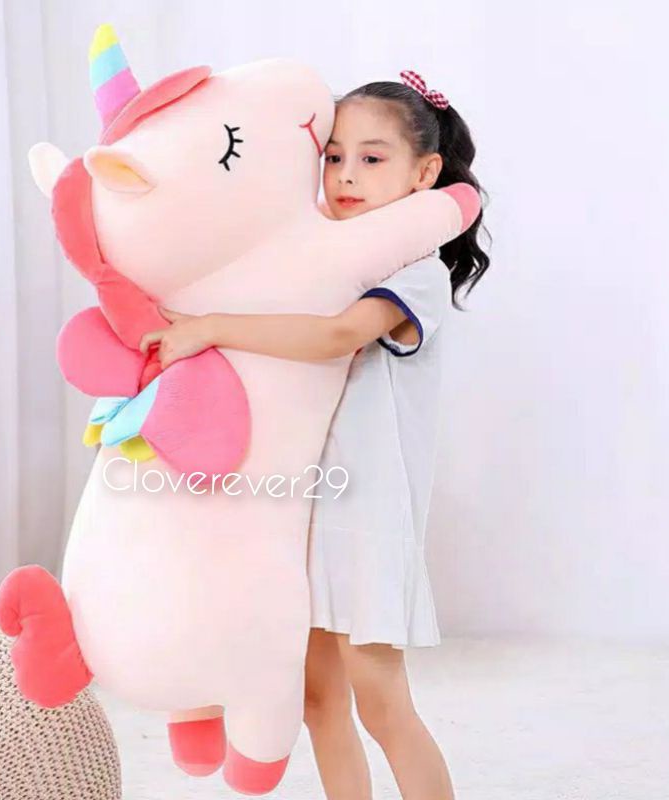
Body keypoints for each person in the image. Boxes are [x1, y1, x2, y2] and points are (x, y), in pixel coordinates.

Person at [140, 69, 490, 800]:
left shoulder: (416, 273)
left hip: (365, 524)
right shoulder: (324, 260)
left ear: (425, 173)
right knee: (317, 701)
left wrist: (212, 327)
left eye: (372, 158)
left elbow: (335, 336)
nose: (347, 175)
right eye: (333, 157)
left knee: (382, 705)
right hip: (299, 512)